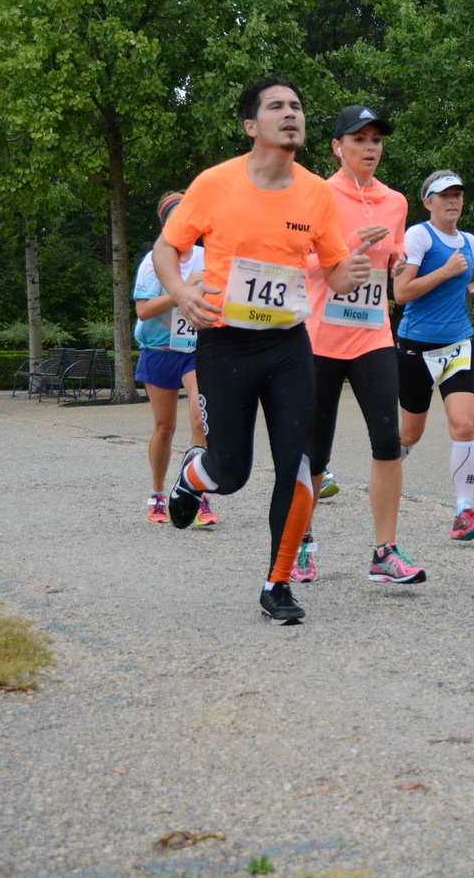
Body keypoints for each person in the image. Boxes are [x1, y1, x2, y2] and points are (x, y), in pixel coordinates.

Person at [155, 75, 374, 625]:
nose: (291, 113)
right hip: (225, 345)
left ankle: (277, 583)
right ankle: (193, 478)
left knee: (297, 461)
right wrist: (180, 292)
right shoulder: (215, 183)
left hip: (287, 346)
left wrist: (353, 268)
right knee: (231, 473)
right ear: (252, 125)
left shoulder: (315, 193)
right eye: (276, 106)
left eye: (297, 106)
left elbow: (335, 275)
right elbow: (168, 247)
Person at [297, 105, 422, 587]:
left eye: (376, 140)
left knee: (387, 440)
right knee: (313, 450)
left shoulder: (395, 201)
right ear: (336, 147)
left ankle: (384, 552)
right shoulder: (316, 195)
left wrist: (397, 257)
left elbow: (394, 252)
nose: (370, 149)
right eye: (359, 140)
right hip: (320, 338)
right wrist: (346, 246)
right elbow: (298, 259)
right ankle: (301, 544)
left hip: (372, 334)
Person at [395, 170, 474, 543]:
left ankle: (464, 512)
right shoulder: (418, 236)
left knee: (464, 425)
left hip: (457, 346)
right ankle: (384, 473)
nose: (453, 201)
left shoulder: (470, 241)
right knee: (409, 434)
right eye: (444, 195)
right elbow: (402, 293)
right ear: (428, 201)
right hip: (415, 348)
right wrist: (445, 271)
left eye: (458, 195)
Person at [133, 191, 212, 526]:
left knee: (200, 420)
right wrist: (181, 290)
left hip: (195, 349)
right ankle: (157, 493)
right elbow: (143, 310)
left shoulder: (205, 256)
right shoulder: (153, 261)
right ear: (166, 225)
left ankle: (196, 494)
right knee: (165, 427)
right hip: (159, 349)